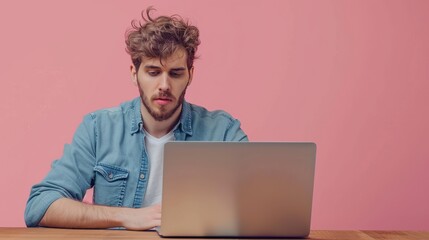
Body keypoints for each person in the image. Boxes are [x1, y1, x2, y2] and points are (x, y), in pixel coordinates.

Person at [24, 7, 248, 230]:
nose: (164, 85)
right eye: (153, 72)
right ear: (134, 73)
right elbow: (41, 205)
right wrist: (125, 217)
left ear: (190, 75)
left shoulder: (223, 132)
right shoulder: (99, 128)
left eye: (175, 73)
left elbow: (259, 206)